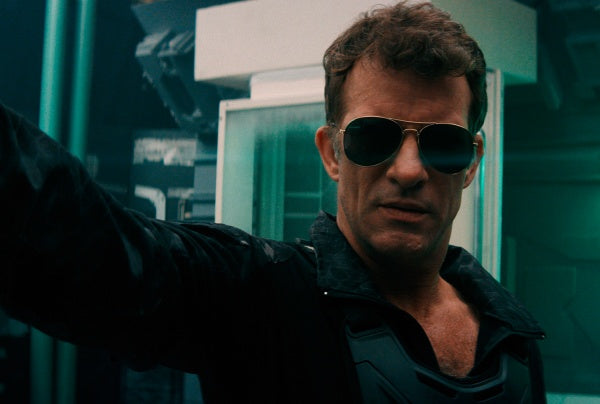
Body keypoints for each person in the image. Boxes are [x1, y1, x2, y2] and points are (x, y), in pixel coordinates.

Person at [0, 1, 545, 402]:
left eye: (442, 144)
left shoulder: (511, 335)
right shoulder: (258, 296)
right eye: (373, 137)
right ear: (332, 153)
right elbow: (92, 250)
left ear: (471, 162)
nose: (408, 170)